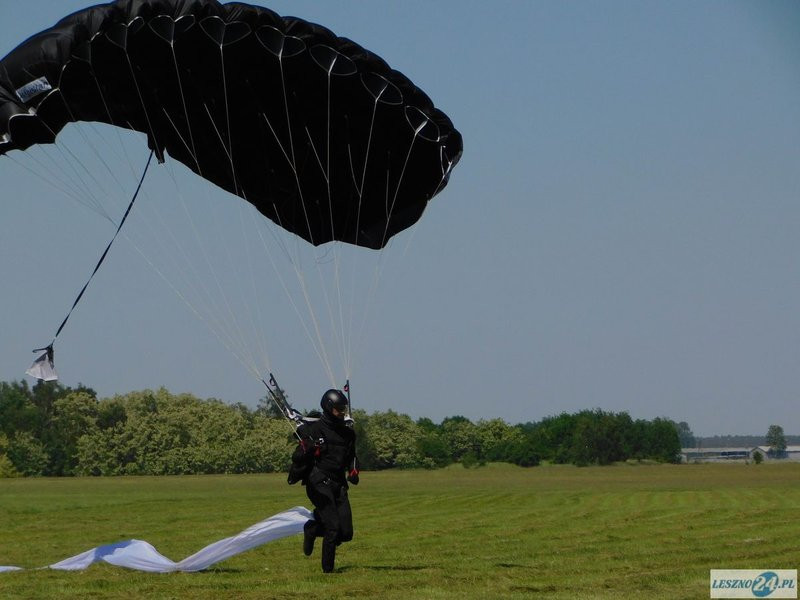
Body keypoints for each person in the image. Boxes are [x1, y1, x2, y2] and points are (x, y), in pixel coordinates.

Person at [288, 389, 359, 573]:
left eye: (343, 409)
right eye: (338, 409)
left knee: (346, 533)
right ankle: (328, 571)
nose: (342, 412)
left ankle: (312, 528)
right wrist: (308, 447)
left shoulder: (347, 433)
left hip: (338, 484)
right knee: (333, 528)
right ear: (328, 408)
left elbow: (352, 456)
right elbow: (298, 454)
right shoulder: (314, 429)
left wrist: (353, 471)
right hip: (318, 482)